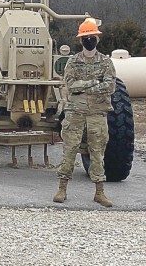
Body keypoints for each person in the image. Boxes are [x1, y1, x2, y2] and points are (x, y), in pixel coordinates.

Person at [53, 18, 115, 207]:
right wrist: (94, 83)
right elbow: (71, 85)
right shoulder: (73, 62)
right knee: (69, 151)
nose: (89, 40)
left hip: (97, 113)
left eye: (92, 37)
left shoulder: (106, 62)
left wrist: (84, 87)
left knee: (97, 153)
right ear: (81, 40)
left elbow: (110, 86)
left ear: (97, 38)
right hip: (75, 113)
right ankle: (62, 189)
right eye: (86, 37)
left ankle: (99, 192)